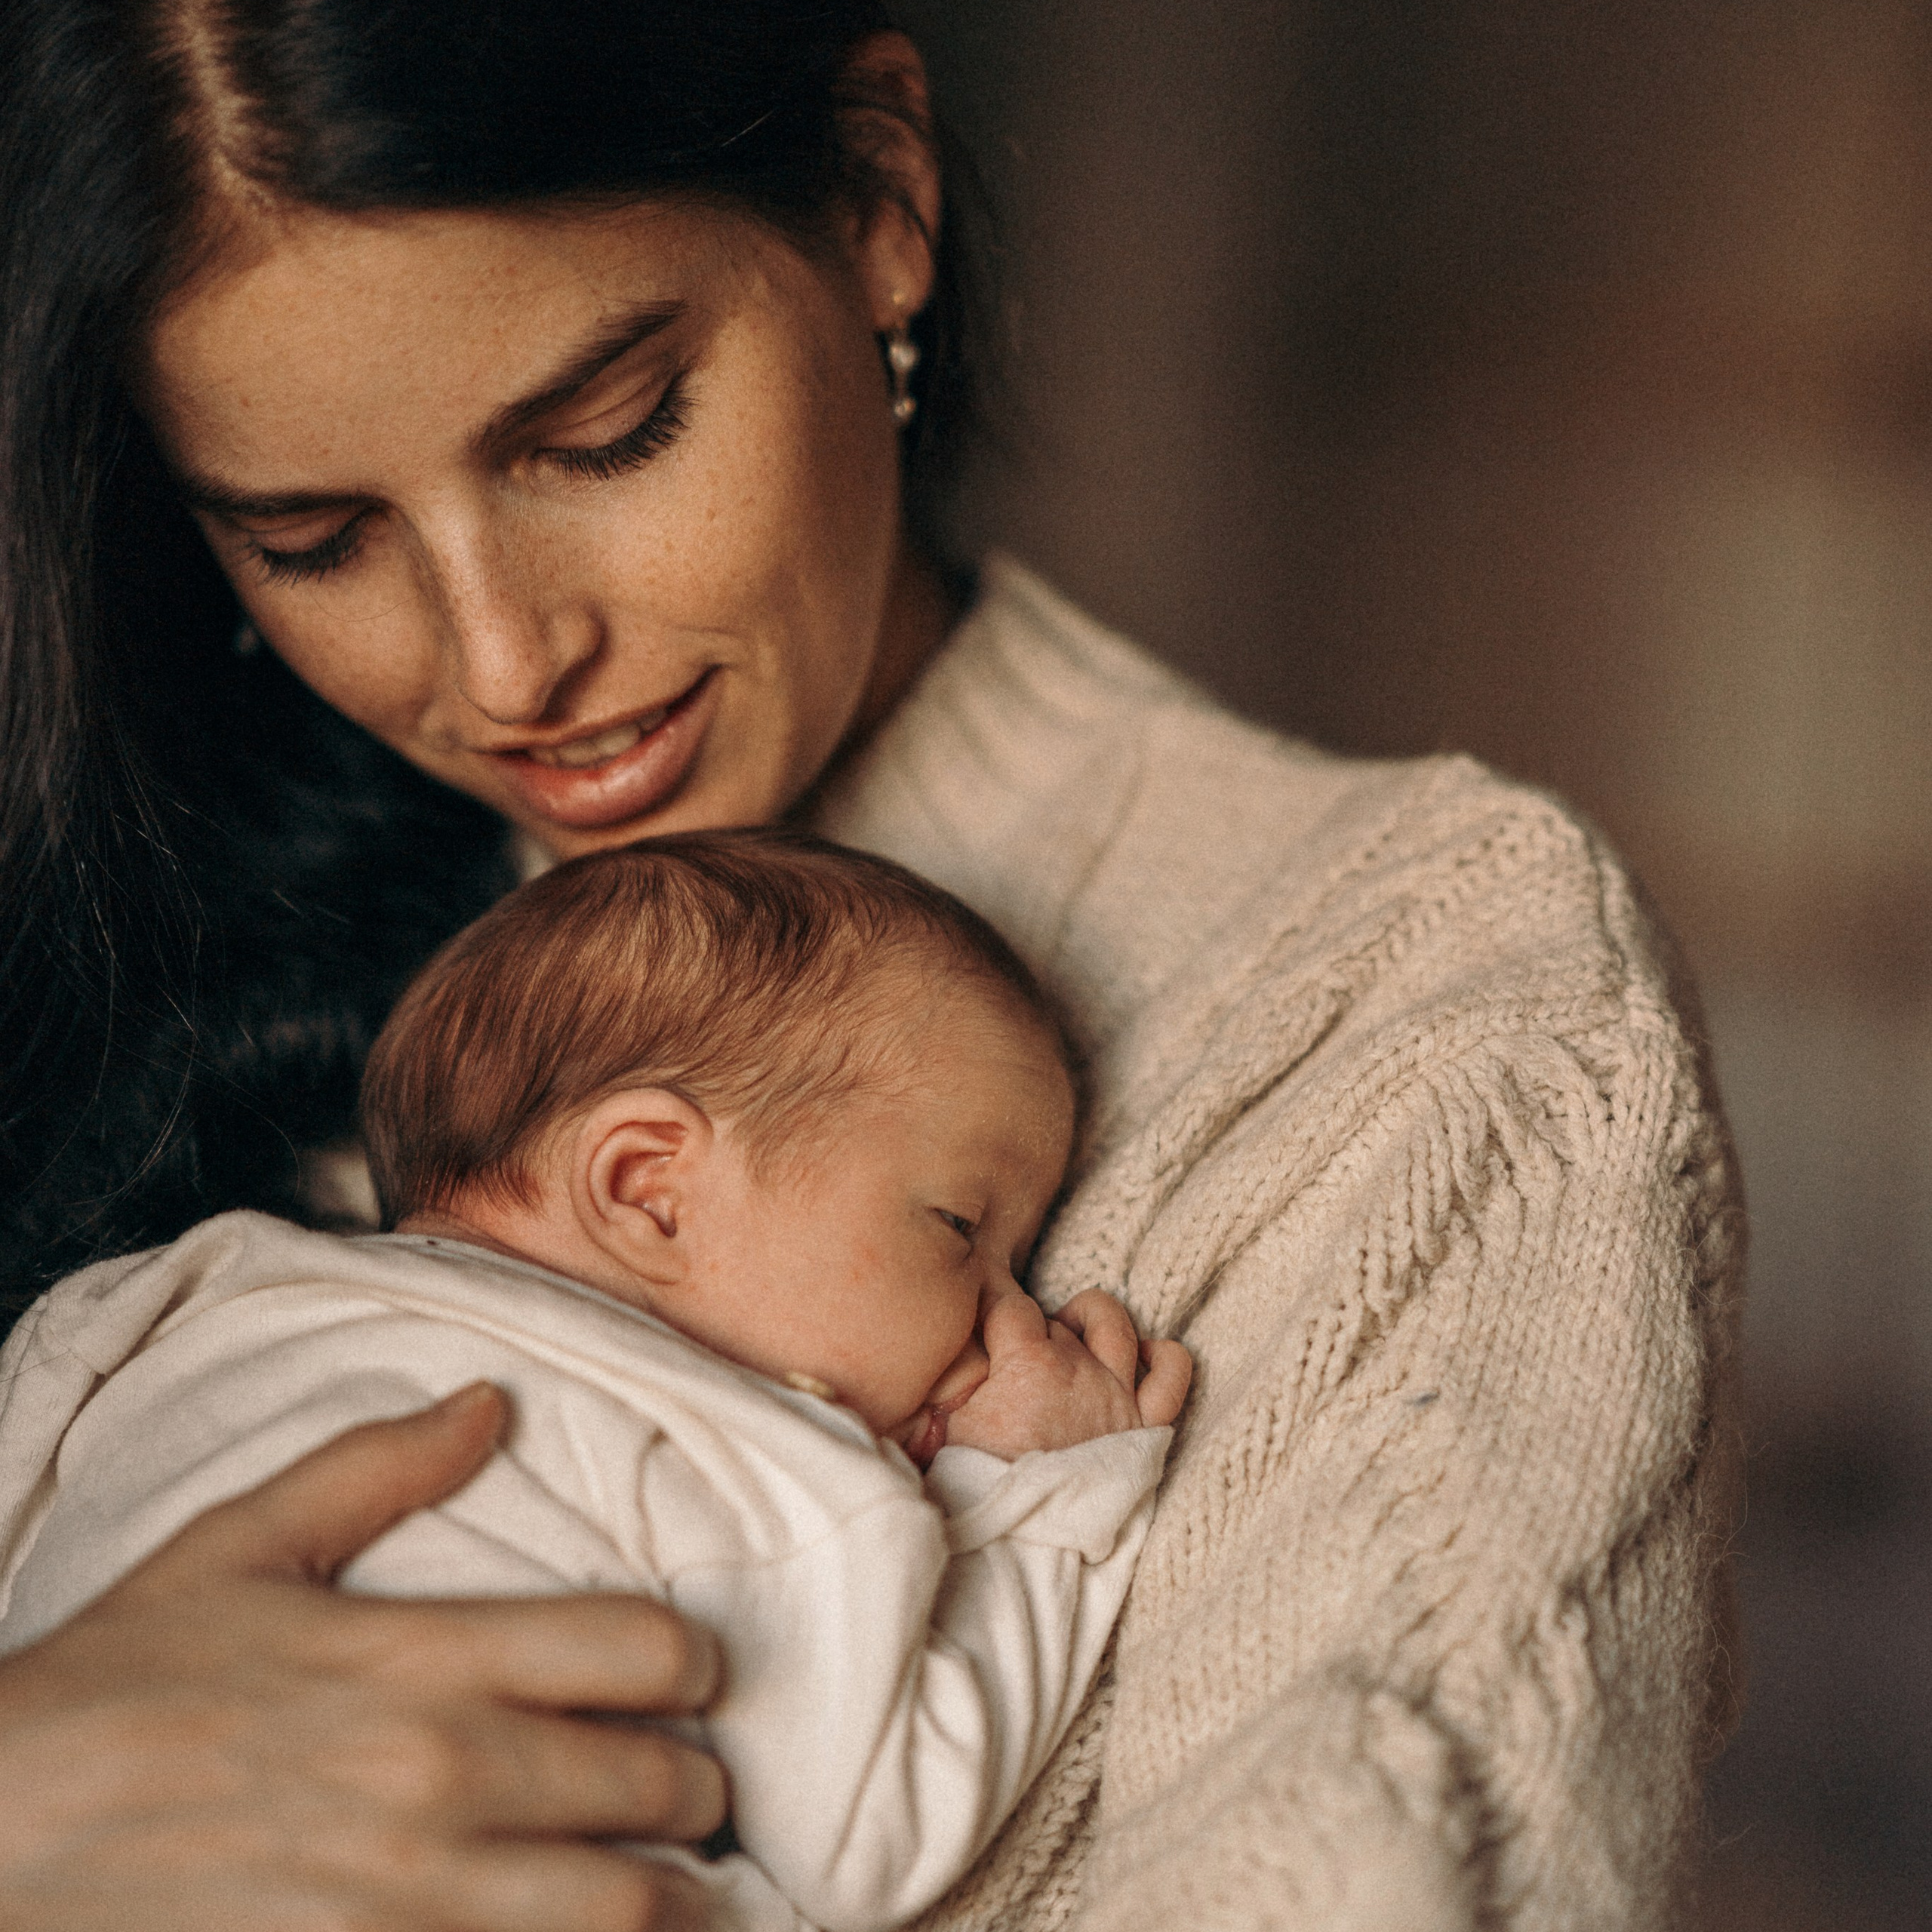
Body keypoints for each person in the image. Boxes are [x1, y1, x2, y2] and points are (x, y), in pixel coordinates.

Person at [0, 2, 1743, 1928]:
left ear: (874, 198)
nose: (501, 664)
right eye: (314, 539)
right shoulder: (110, 941)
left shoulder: (1424, 1000)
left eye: (605, 433)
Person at [0, 829, 1191, 1932]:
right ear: (646, 1188)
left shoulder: (160, 1314)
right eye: (958, 1229)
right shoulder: (743, 1460)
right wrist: (1043, 1486)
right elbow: (878, 1832)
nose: (1012, 1319)